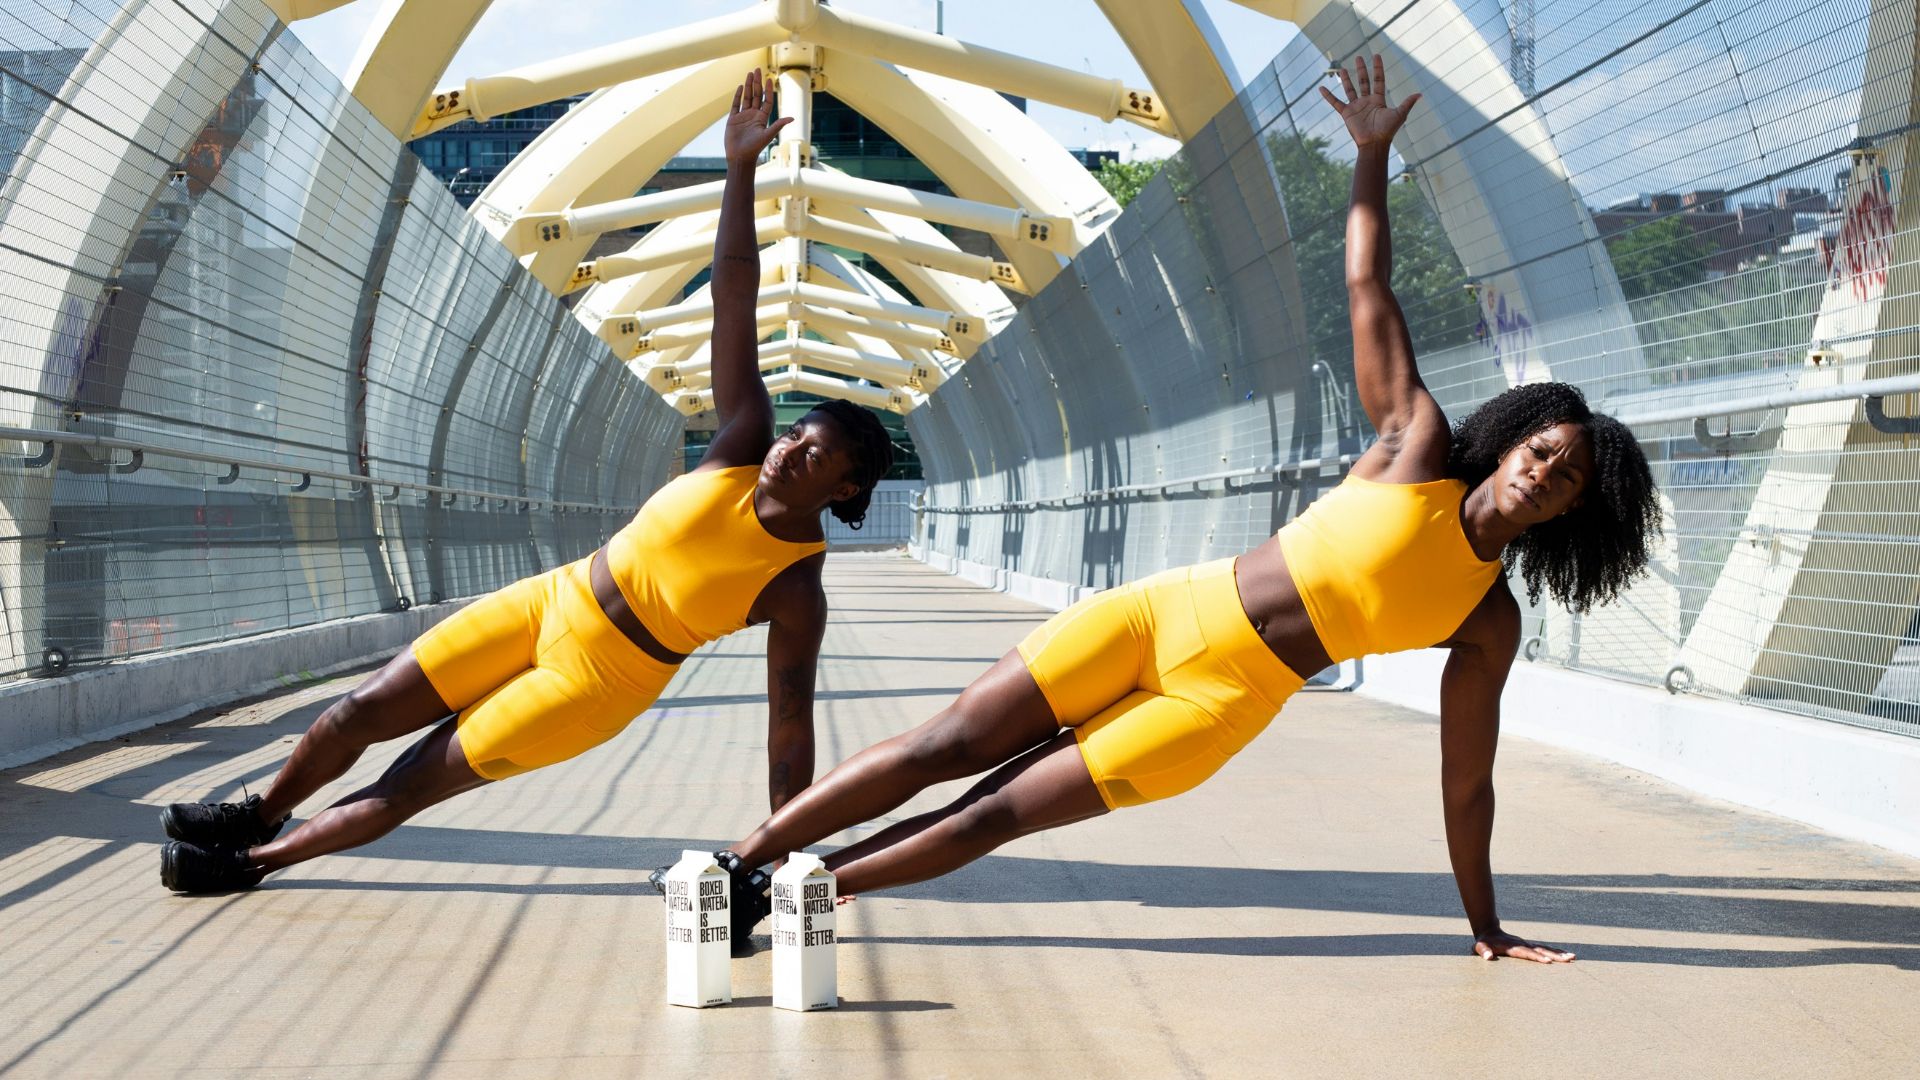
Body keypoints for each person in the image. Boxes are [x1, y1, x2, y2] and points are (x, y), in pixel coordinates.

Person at [678, 56, 1660, 964]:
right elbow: (1368, 285)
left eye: (1569, 480)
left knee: (993, 814)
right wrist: (1369, 156)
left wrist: (1484, 920)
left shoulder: (1488, 618)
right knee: (946, 746)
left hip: (1219, 704)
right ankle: (737, 860)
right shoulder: (1415, 448)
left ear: (1576, 513)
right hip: (1160, 614)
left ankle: (785, 896)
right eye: (1545, 454)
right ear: (1517, 434)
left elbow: (1466, 780)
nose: (1546, 476)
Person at [159, 70, 894, 899]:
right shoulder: (738, 442)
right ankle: (259, 814)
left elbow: (788, 728)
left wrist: (776, 853)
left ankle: (249, 865)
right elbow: (732, 295)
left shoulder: (797, 586)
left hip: (593, 683)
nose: (790, 448)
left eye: (814, 453)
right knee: (357, 711)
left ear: (845, 487)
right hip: (552, 599)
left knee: (409, 780)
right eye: (797, 432)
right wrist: (738, 171)